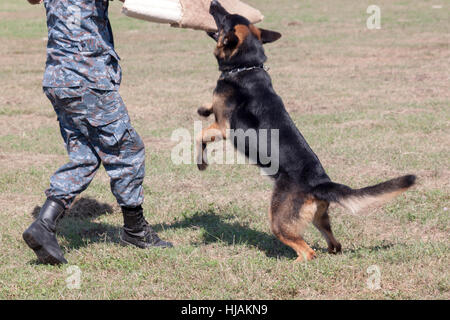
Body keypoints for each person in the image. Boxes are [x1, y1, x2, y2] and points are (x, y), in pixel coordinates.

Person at [23, 0, 173, 265]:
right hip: (87, 77)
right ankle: (135, 230)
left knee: (85, 156)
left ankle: (44, 224)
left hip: (58, 78)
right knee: (127, 149)